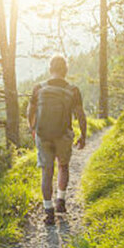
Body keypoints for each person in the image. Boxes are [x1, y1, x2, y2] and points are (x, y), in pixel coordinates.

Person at [27, 55, 87, 226]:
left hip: (43, 135)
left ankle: (48, 212)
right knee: (63, 166)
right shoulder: (73, 90)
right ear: (65, 71)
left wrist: (34, 129)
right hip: (63, 135)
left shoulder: (38, 88)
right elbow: (80, 115)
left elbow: (30, 112)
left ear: (50, 69)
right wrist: (83, 135)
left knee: (46, 172)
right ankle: (60, 200)